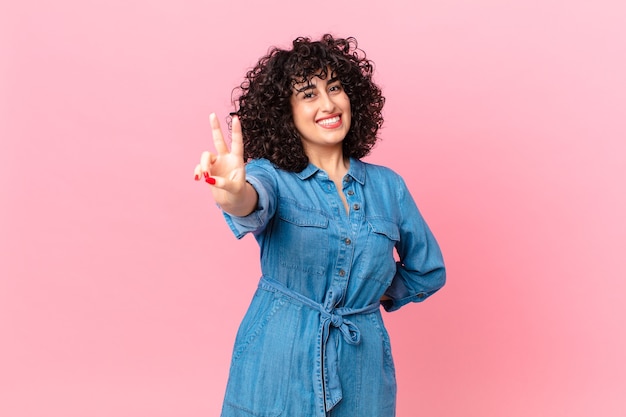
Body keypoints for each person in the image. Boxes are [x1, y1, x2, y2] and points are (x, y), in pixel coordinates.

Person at [194, 34, 446, 417]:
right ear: (286, 112)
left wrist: (364, 294)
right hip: (276, 361)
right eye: (309, 94)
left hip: (362, 370)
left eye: (335, 88)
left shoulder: (388, 186)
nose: (328, 104)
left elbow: (428, 271)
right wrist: (230, 191)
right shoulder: (270, 176)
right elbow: (249, 202)